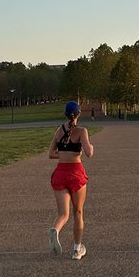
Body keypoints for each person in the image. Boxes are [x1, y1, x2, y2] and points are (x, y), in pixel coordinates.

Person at [48, 101, 94, 260]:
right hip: (76, 174)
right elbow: (89, 153)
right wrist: (86, 149)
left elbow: (51, 154)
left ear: (65, 115)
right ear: (78, 114)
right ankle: (76, 249)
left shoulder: (58, 131)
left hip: (60, 172)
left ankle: (55, 229)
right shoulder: (82, 131)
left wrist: (64, 154)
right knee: (78, 212)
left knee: (63, 214)